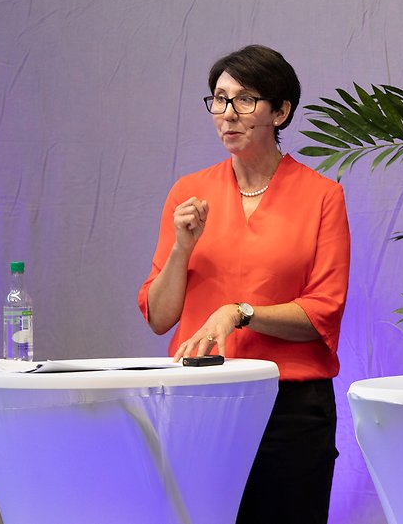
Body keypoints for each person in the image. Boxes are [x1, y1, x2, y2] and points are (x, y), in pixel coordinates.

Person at [138, 45, 350, 524]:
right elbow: (158, 316)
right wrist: (181, 249)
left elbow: (323, 312)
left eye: (245, 99)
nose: (227, 113)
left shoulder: (322, 196)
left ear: (281, 111)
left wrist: (239, 311)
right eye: (219, 99)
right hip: (200, 401)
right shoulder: (188, 193)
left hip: (289, 408)